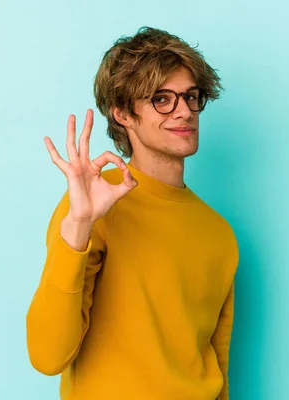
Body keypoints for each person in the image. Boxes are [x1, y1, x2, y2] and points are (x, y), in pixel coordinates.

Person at [25, 26, 240, 400]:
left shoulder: (218, 232)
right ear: (122, 113)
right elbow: (47, 356)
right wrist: (78, 226)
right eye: (162, 99)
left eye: (191, 96)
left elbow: (216, 364)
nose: (185, 111)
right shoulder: (96, 204)